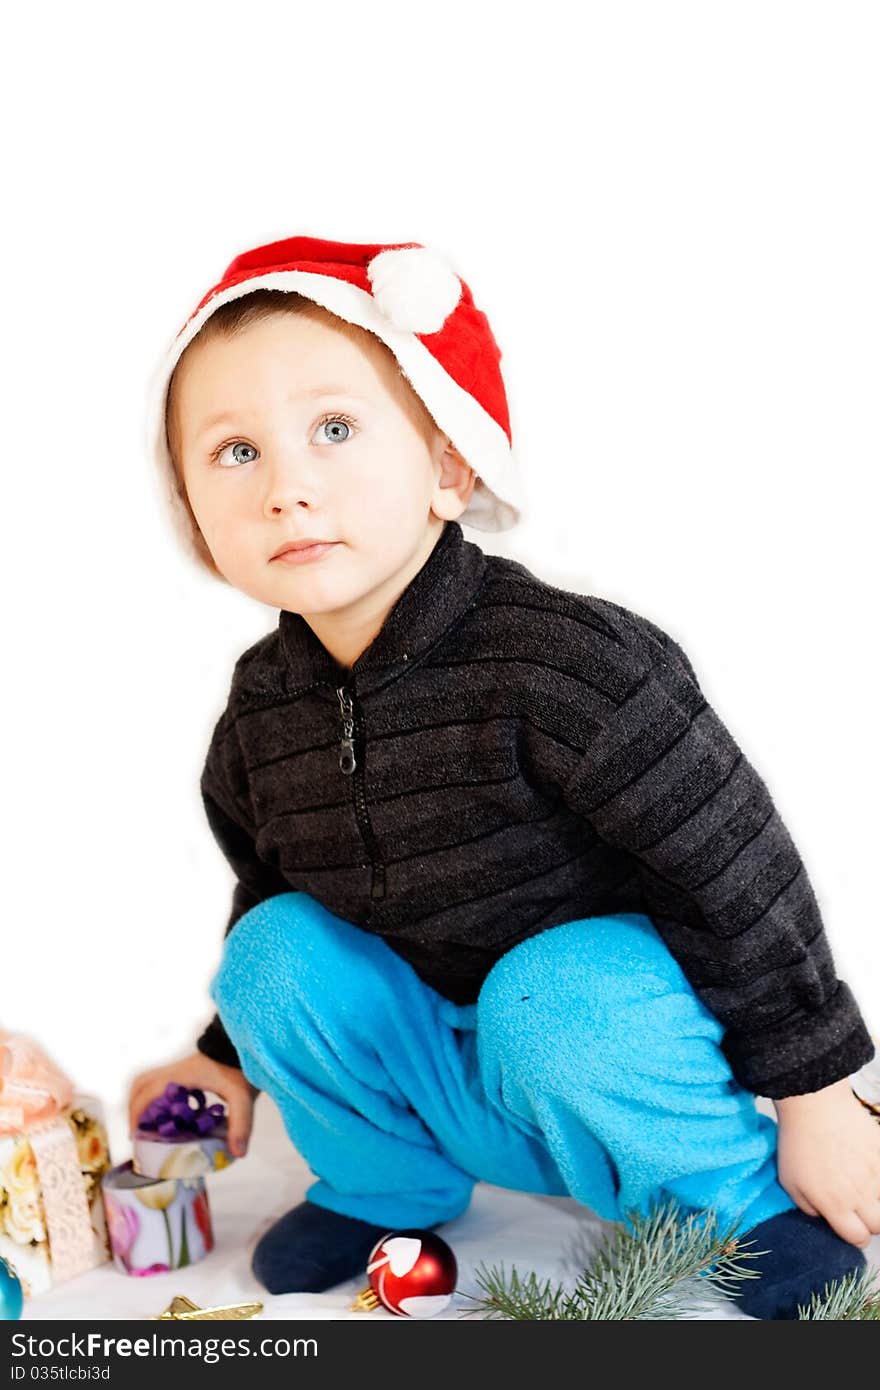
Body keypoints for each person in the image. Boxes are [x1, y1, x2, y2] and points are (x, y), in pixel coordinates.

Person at [129, 235, 879, 1318]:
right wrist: (223, 1062)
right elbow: (279, 885)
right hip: (442, 1074)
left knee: (554, 988)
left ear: (449, 465)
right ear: (193, 516)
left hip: (611, 1061)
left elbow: (732, 865)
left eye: (333, 430)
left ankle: (726, 1197)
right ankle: (387, 1183)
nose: (288, 486)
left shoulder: (563, 663)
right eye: (234, 452)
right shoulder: (260, 712)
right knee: (271, 951)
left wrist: (813, 1085)